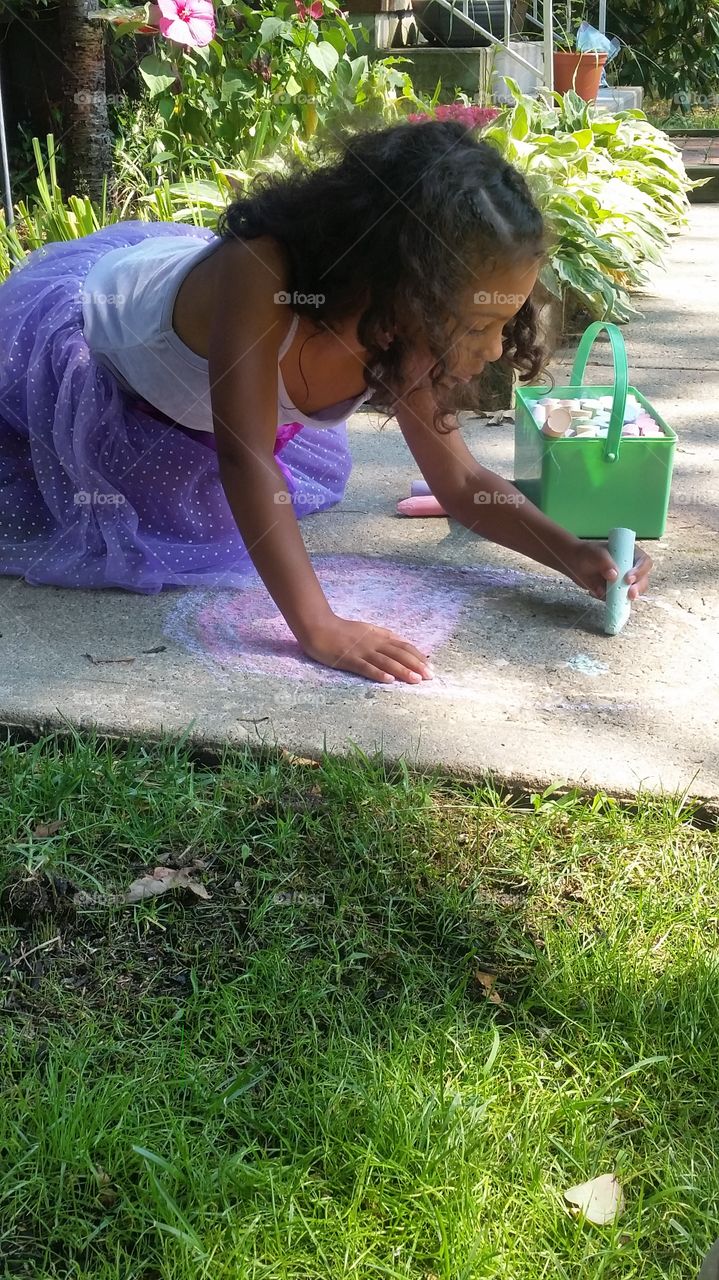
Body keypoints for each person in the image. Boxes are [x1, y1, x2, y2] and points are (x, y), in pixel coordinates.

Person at [0, 118, 652, 684]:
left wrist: (569, 554)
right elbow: (247, 459)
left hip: (214, 360)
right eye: (476, 326)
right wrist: (319, 628)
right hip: (106, 342)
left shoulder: (400, 326)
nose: (490, 350)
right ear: (404, 287)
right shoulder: (259, 274)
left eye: (500, 323)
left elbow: (459, 481)